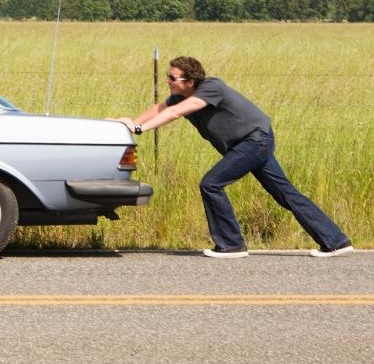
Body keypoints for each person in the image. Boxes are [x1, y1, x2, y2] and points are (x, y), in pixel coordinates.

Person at [116, 56, 353, 259]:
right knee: (285, 193)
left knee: (211, 184)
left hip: (254, 141)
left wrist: (139, 130)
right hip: (247, 144)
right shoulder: (179, 96)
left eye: (172, 77)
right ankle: (336, 241)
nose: (167, 81)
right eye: (167, 76)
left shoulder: (211, 88)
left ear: (190, 81)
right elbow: (160, 109)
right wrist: (130, 124)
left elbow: (175, 113)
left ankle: (231, 244)